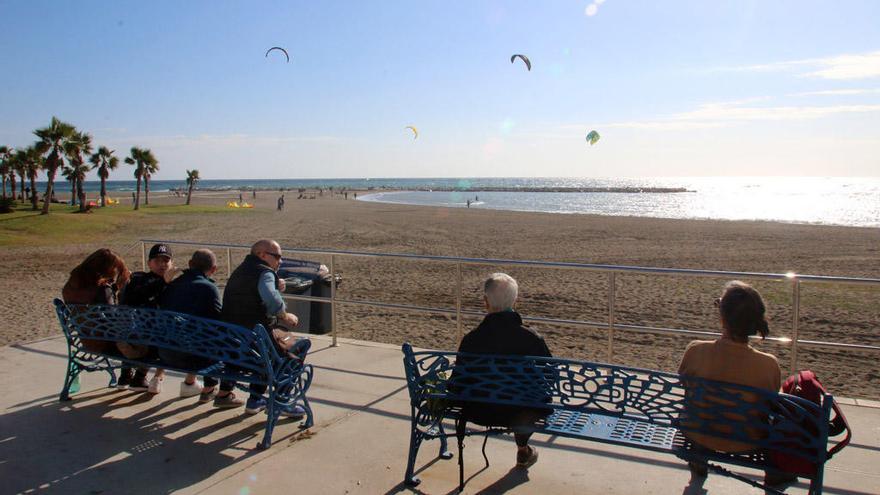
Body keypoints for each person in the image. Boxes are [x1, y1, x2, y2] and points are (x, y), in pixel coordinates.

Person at [677, 281, 788, 485]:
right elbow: (771, 405)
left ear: (722, 319)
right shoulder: (768, 365)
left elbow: (684, 383)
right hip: (746, 439)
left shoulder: (695, 351)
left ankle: (699, 457)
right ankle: (774, 474)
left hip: (698, 431)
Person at [456, 273, 552, 469]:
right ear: (515, 301)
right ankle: (523, 448)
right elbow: (549, 377)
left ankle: (523, 449)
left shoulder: (471, 340)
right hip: (518, 414)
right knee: (532, 397)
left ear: (485, 302)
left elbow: (458, 382)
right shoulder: (532, 339)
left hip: (479, 411)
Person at [221, 239, 304, 416]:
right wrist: (285, 315)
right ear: (262, 255)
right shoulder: (264, 272)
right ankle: (281, 402)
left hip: (233, 344)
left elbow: (251, 295)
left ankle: (256, 399)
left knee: (266, 348)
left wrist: (274, 285)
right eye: (277, 256)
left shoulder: (241, 270)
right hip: (253, 342)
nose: (280, 261)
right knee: (295, 350)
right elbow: (271, 299)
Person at [157, 249, 239, 407]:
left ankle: (208, 389)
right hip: (193, 357)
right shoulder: (208, 288)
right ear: (213, 270)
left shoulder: (172, 285)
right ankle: (224, 393)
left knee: (202, 339)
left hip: (166, 352)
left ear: (190, 264)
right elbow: (219, 323)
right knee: (231, 342)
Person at [118, 243, 179, 393]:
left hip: (130, 339)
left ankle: (126, 376)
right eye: (157, 261)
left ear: (172, 263)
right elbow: (138, 296)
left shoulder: (170, 284)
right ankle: (139, 376)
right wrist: (164, 282)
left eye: (166, 261)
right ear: (149, 263)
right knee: (162, 335)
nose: (162, 264)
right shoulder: (140, 279)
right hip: (145, 342)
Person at [62, 248, 131, 354]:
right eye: (115, 269)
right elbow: (115, 322)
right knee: (144, 344)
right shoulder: (102, 290)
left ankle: (129, 371)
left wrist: (113, 289)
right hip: (106, 343)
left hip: (86, 340)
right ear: (107, 269)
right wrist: (121, 292)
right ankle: (131, 371)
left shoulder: (71, 285)